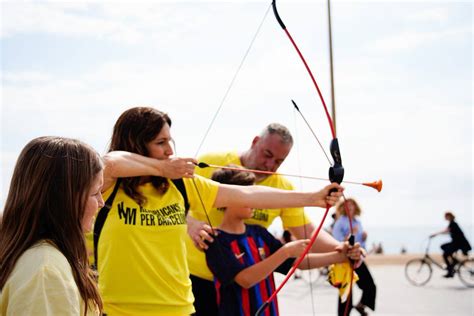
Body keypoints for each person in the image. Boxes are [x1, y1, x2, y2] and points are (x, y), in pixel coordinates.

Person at [94, 106, 344, 315]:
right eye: (161, 143)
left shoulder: (182, 185)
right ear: (136, 143)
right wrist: (163, 171)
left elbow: (247, 194)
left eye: (170, 141)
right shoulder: (107, 185)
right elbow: (109, 162)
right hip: (120, 309)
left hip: (179, 308)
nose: (170, 150)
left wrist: (314, 198)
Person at [189, 123, 358, 315]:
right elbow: (171, 199)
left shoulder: (260, 231)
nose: (270, 165)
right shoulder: (209, 163)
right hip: (196, 279)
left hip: (256, 297)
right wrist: (191, 224)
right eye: (267, 154)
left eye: (279, 161)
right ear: (255, 142)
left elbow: (307, 235)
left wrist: (343, 251)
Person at [205, 167, 361, 316]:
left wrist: (341, 255)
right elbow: (245, 280)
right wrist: (286, 251)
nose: (255, 201)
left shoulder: (259, 233)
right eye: (248, 195)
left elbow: (297, 262)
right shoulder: (215, 240)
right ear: (228, 199)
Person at [0, 136, 103, 315]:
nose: (101, 202)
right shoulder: (46, 271)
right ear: (66, 199)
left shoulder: (37, 259)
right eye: (95, 193)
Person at [332, 198, 376, 316]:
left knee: (370, 286)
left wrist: (364, 237)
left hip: (358, 258)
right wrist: (349, 235)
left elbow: (361, 243)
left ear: (355, 207)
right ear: (343, 208)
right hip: (345, 260)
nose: (350, 207)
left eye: (352, 205)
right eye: (347, 205)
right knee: (346, 294)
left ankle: (360, 305)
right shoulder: (340, 222)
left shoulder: (358, 222)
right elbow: (336, 242)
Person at [430, 211, 472, 278]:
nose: (445, 217)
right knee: (443, 247)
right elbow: (447, 231)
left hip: (458, 243)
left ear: (449, 216)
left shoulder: (453, 224)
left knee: (445, 254)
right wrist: (437, 234)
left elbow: (446, 231)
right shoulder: (452, 224)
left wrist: (435, 234)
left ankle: (450, 271)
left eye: (446, 216)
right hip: (456, 243)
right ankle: (453, 263)